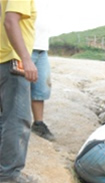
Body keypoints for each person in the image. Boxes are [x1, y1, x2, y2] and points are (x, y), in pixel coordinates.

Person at [0, 0, 38, 183]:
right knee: (17, 118)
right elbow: (10, 21)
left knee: (4, 118)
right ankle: (8, 173)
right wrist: (26, 59)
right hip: (12, 61)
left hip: (3, 59)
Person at [30, 0, 55, 141]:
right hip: (25, 46)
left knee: (41, 89)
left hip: (42, 48)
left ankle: (38, 123)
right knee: (16, 88)